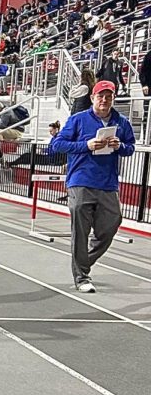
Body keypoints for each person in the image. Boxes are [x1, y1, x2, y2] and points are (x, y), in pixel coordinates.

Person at [48, 80, 135, 293]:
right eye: (100, 96)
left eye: (109, 96)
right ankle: (81, 276)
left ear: (113, 98)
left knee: (111, 224)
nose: (104, 100)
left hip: (108, 182)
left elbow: (130, 147)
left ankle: (83, 262)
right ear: (92, 98)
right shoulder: (78, 120)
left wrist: (120, 146)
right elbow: (56, 145)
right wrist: (85, 145)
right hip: (81, 180)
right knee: (80, 228)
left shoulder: (121, 122)